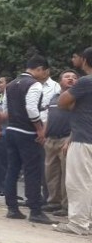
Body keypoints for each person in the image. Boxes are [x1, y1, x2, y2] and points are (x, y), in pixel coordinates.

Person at [3, 54, 52, 224]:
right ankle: (35, 210)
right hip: (27, 132)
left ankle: (12, 208)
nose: (45, 75)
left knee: (12, 169)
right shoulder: (34, 85)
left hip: (11, 129)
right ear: (39, 69)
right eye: (45, 72)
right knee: (32, 170)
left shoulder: (10, 85)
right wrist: (39, 129)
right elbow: (31, 108)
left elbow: (5, 109)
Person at [56, 48, 92, 235]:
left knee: (79, 182)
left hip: (83, 139)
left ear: (85, 60)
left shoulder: (85, 81)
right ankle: (88, 222)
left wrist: (75, 101)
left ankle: (78, 223)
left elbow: (62, 101)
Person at [44, 70, 78, 216]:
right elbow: (48, 117)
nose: (71, 79)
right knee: (51, 173)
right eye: (67, 77)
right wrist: (43, 135)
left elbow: (79, 123)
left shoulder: (78, 100)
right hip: (50, 140)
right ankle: (53, 202)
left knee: (67, 175)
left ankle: (66, 206)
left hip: (66, 140)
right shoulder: (54, 98)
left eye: (74, 77)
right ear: (60, 81)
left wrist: (70, 139)